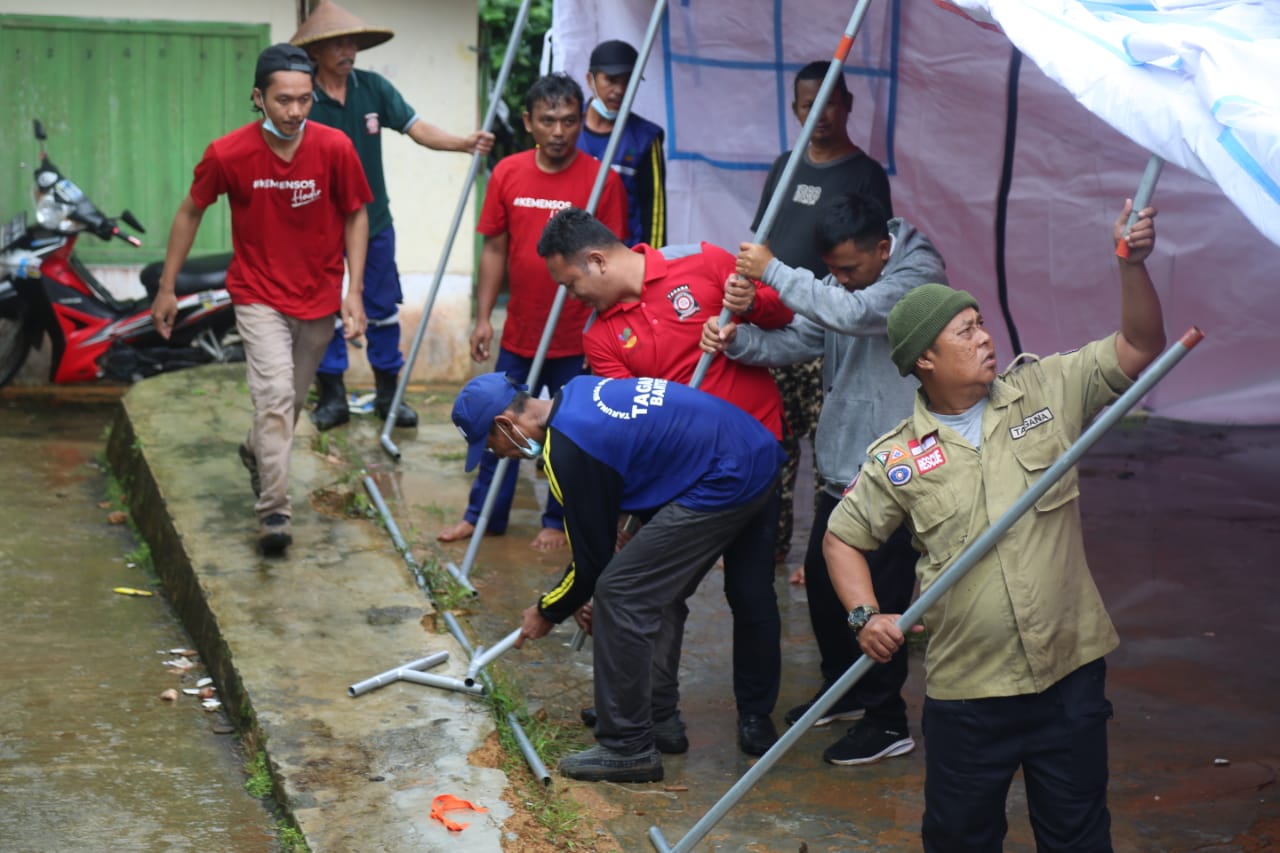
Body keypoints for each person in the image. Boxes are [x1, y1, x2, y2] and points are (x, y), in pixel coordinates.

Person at [823, 201, 1164, 850]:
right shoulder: (898, 457)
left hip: (1068, 677)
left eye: (981, 324)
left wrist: (1132, 265)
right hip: (970, 690)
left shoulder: (1046, 391)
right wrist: (864, 615)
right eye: (965, 331)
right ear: (924, 358)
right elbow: (843, 538)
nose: (985, 337)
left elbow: (1141, 346)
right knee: (960, 838)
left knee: (1079, 836)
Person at [536, 206, 794, 755]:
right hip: (679, 476)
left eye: (572, 283)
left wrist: (752, 303)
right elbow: (623, 426)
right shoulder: (601, 337)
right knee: (658, 594)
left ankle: (754, 713)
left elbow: (781, 317)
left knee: (750, 592)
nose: (572, 296)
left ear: (598, 260)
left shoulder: (702, 263)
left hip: (753, 454)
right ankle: (659, 713)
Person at [704, 191, 944, 766]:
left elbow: (853, 315)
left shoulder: (914, 282)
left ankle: (887, 721)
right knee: (822, 580)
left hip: (895, 466)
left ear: (884, 250)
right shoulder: (850, 280)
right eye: (832, 271)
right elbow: (810, 335)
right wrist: (742, 343)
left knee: (879, 602)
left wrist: (774, 273)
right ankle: (847, 689)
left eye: (849, 270)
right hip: (845, 462)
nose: (840, 281)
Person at [451, 371, 784, 782]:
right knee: (650, 588)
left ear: (505, 424)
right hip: (753, 449)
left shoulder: (568, 449)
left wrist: (547, 609)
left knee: (622, 594)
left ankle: (628, 746)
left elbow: (591, 568)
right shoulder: (576, 392)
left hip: (725, 475)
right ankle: (656, 717)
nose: (497, 454)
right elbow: (638, 464)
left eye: (490, 444)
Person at [149, 44, 372, 554]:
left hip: (317, 297)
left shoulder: (335, 148)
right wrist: (167, 286)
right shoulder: (228, 153)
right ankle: (274, 512)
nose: (295, 112)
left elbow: (356, 213)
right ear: (258, 98)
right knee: (273, 399)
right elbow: (190, 211)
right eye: (283, 100)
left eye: (305, 100)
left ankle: (256, 451)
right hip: (257, 294)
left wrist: (353, 291)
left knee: (288, 405)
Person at [436, 73, 627, 551]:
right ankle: (482, 515)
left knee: (568, 432)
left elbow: (614, 261)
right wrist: (484, 317)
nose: (559, 131)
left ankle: (556, 519)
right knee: (496, 423)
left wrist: (603, 329)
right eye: (547, 121)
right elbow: (495, 249)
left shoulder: (601, 179)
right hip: (520, 333)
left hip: (576, 337)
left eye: (568, 120)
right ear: (528, 122)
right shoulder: (508, 173)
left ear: (580, 121)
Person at [290, 0, 494, 431]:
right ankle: (332, 397)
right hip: (317, 226)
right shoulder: (302, 97)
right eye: (339, 43)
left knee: (382, 307)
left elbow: (416, 127)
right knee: (323, 308)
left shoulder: (373, 88)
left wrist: (463, 142)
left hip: (373, 220)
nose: (349, 50)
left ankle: (388, 395)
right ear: (316, 51)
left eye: (353, 42)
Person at [755, 61, 894, 566]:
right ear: (794, 109)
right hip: (779, 329)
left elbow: (878, 260)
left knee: (835, 453)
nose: (819, 114)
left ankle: (829, 557)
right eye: (807, 104)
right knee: (777, 449)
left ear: (848, 105)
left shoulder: (864, 174)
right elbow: (763, 241)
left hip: (831, 332)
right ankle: (769, 551)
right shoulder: (785, 165)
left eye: (829, 102)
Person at [576, 39, 666, 248]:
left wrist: (652, 262)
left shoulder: (645, 137)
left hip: (621, 255)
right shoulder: (564, 125)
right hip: (569, 250)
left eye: (628, 81)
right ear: (590, 80)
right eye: (611, 80)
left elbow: (655, 212)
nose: (620, 89)